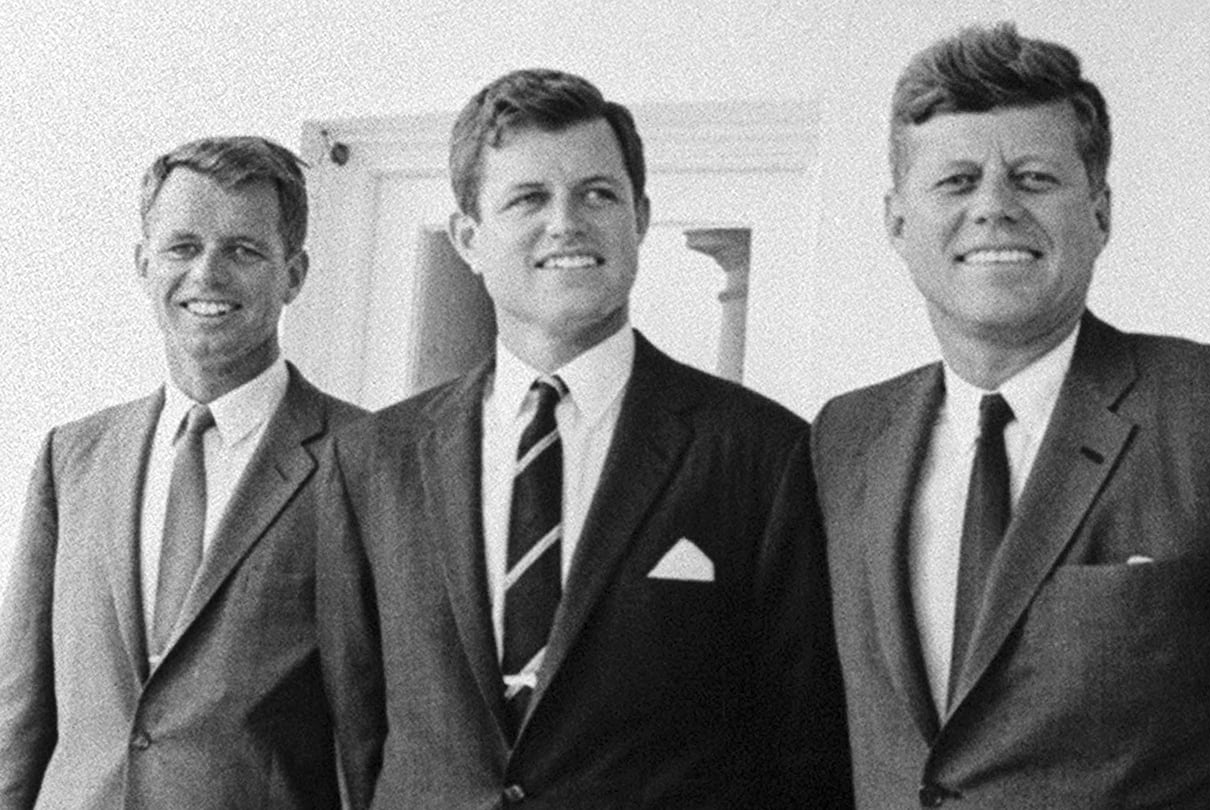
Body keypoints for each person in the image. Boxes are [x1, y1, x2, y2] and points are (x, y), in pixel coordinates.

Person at [811, 22, 1210, 808]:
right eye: (955, 181)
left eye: (1034, 177)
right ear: (896, 221)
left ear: (1101, 212)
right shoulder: (844, 441)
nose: (993, 208)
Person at [316, 68, 851, 808]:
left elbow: (803, 754)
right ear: (469, 238)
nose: (566, 222)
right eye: (528, 198)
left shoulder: (763, 453)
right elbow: (358, 738)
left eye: (598, 194)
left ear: (639, 218)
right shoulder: (373, 460)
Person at [0, 136, 365, 808]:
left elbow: (377, 736)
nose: (207, 274)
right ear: (143, 263)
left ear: (294, 273)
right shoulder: (72, 458)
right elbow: (18, 714)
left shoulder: (365, 459)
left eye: (243, 250)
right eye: (182, 247)